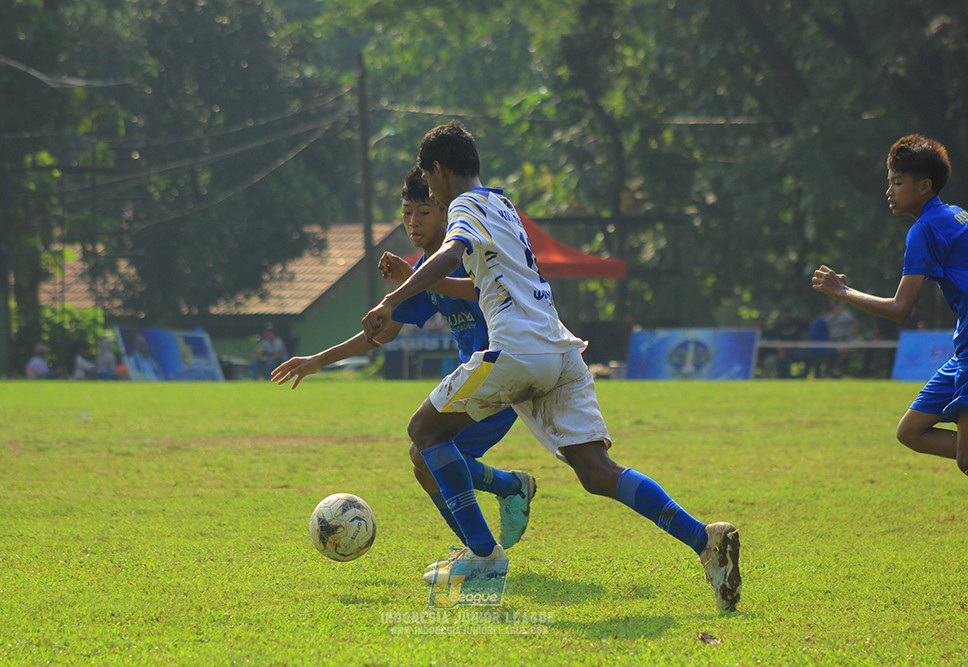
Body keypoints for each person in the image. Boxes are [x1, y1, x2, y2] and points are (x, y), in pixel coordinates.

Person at [361, 121, 741, 612]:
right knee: (597, 472)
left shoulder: (464, 205)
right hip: (559, 350)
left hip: (517, 350)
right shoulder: (502, 205)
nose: (428, 190)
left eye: (428, 179)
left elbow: (452, 254)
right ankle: (704, 540)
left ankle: (483, 556)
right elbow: (485, 278)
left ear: (438, 169)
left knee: (424, 432)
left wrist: (393, 297)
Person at [271, 166, 536, 556]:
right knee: (424, 459)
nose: (413, 221)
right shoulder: (425, 267)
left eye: (423, 212)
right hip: (473, 376)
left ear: (445, 211)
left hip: (503, 371)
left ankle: (496, 519)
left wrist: (412, 276)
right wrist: (316, 361)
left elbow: (489, 290)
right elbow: (384, 333)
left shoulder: (464, 252)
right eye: (407, 212)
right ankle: (482, 537)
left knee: (429, 452)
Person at [813, 133, 968, 477]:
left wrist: (843, 292)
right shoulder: (955, 214)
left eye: (898, 182)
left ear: (924, 187)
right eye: (889, 182)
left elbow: (900, 309)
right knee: (910, 431)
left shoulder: (923, 230)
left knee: (966, 457)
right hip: (964, 346)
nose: (889, 191)